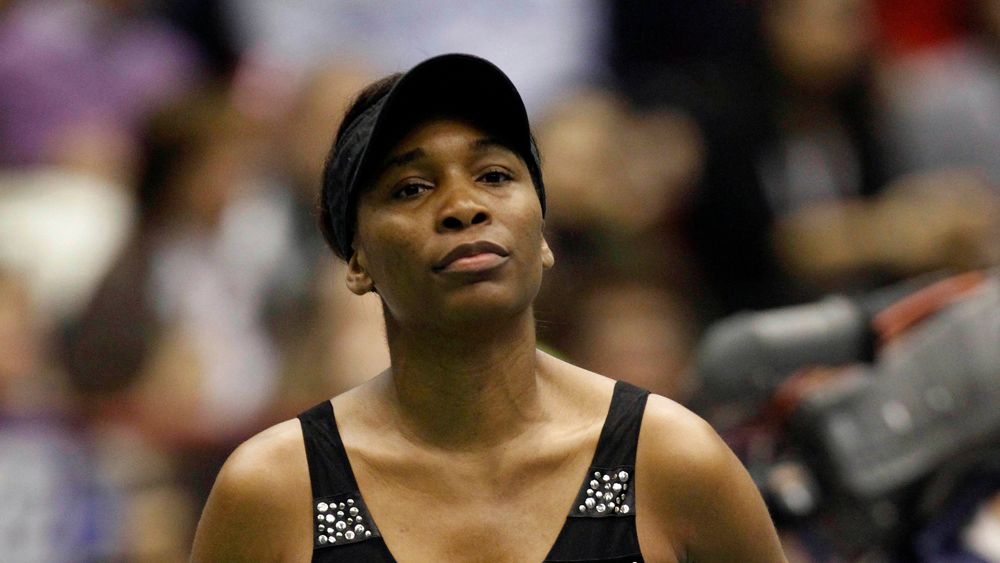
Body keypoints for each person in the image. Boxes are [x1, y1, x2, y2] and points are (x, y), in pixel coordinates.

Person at [190, 53, 786, 562]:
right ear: (357, 261)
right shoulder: (275, 488)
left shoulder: (673, 459)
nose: (464, 206)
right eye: (411, 188)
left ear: (542, 233)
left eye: (495, 175)